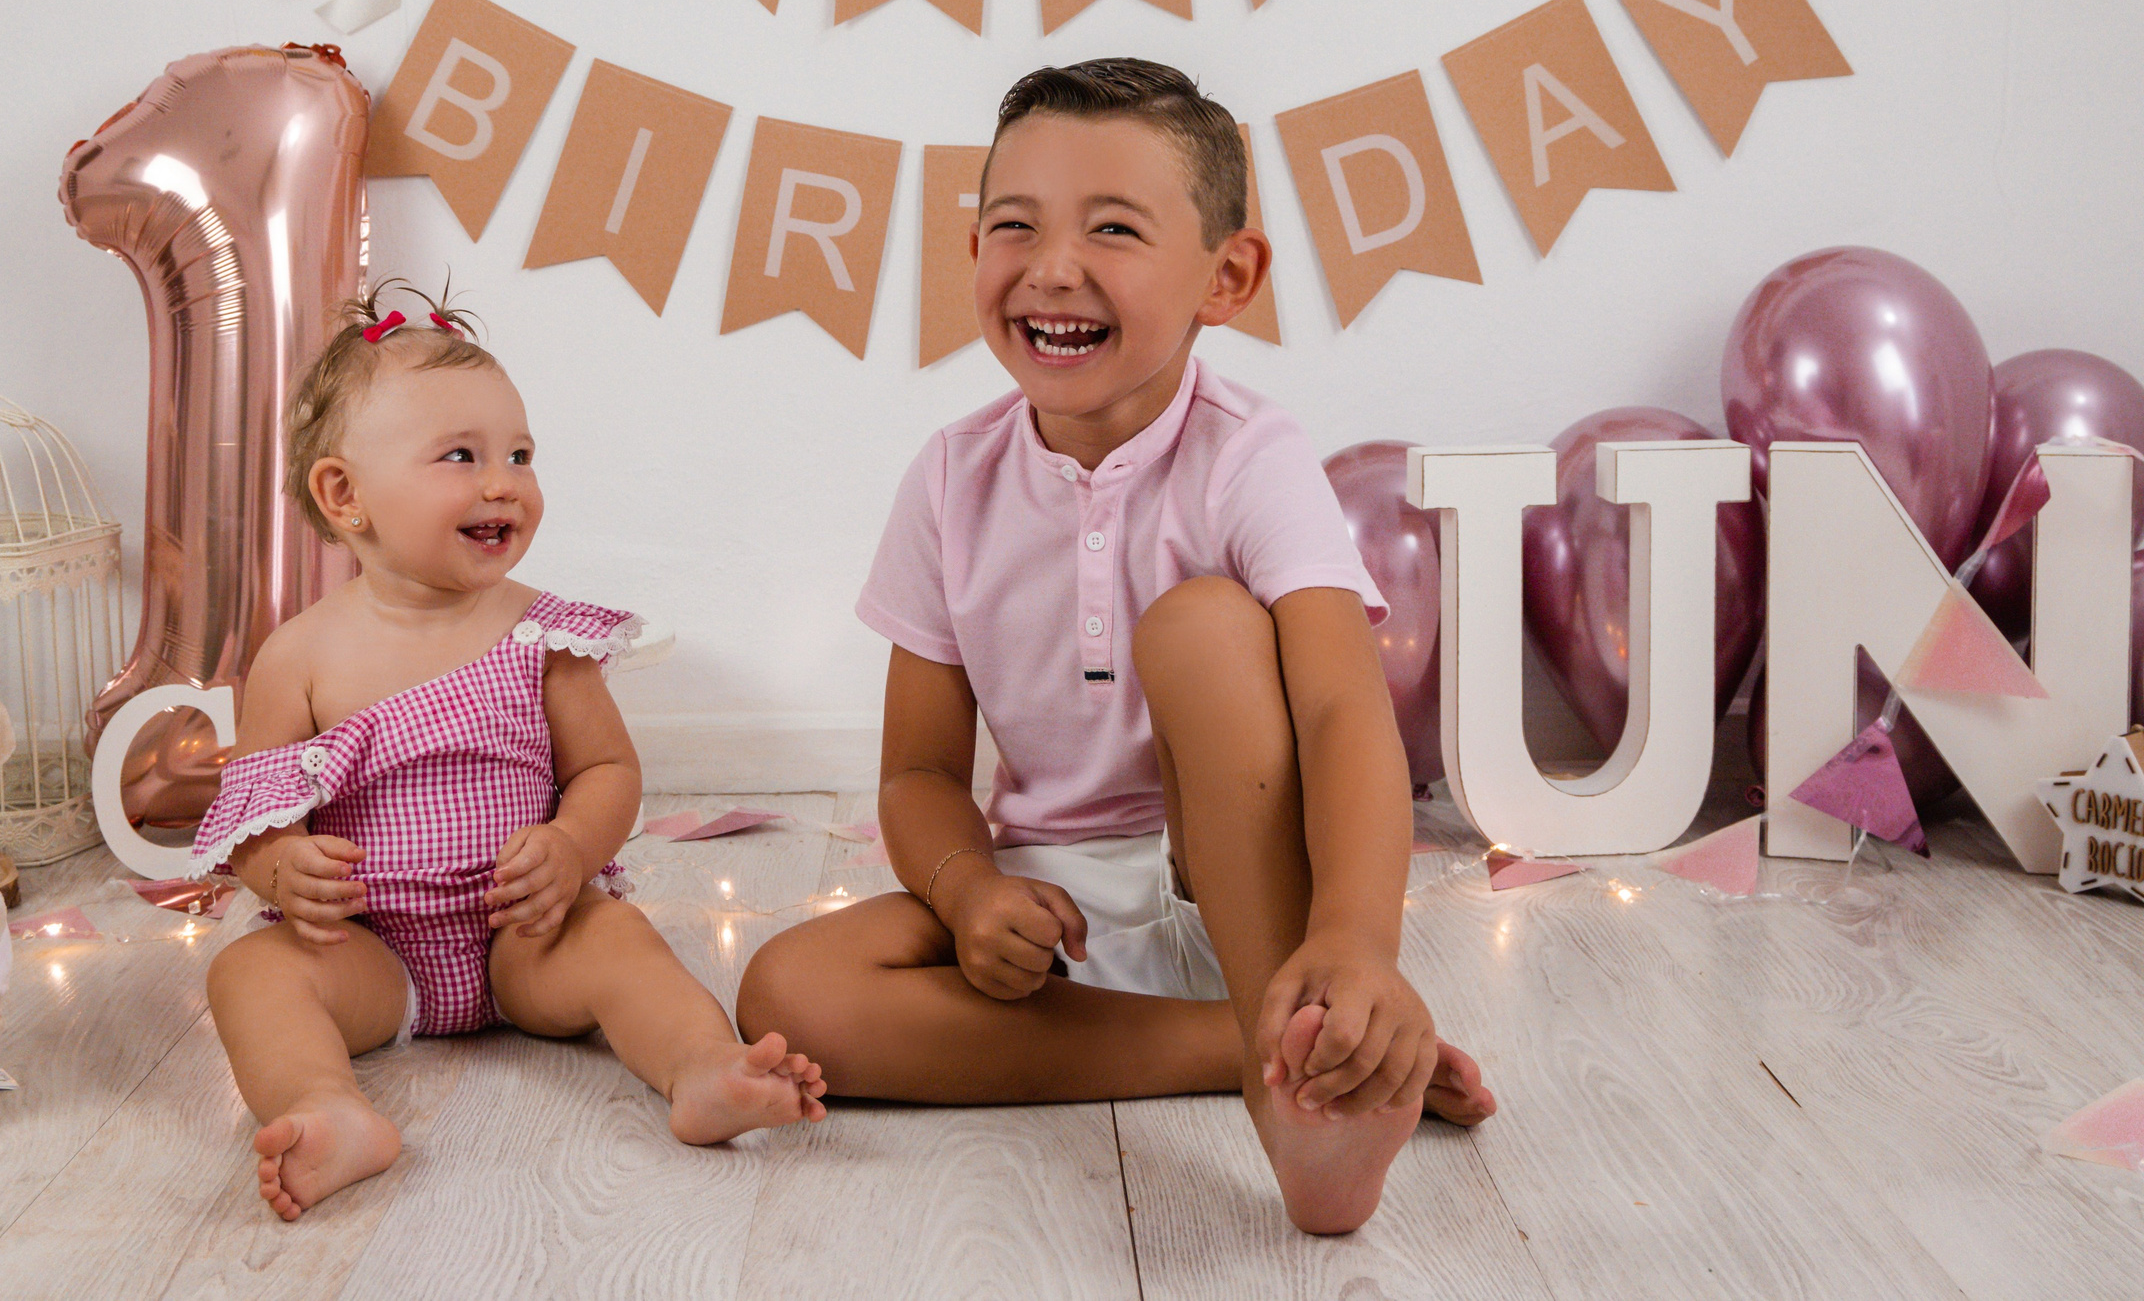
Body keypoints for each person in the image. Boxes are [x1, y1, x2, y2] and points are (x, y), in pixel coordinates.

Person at [737, 60, 1494, 1234]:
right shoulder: (950, 478)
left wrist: (1352, 939)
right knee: (790, 989)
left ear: (1226, 277)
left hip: (1246, 892)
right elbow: (920, 774)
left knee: (1199, 625)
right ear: (973, 251)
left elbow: (1349, 715)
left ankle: (1305, 1029)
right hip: (1060, 906)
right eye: (1014, 226)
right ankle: (1263, 1050)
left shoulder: (1251, 454)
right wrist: (973, 889)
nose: (1052, 268)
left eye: (1114, 230)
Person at [192, 288, 826, 1222]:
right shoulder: (300, 656)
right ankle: (327, 1108)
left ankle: (701, 1067)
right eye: (462, 456)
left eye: (519, 455)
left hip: (523, 935)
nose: (504, 482)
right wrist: (279, 867)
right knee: (248, 974)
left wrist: (571, 849)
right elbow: (255, 813)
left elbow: (607, 771)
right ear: (344, 495)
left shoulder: (541, 636)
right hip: (370, 951)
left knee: (615, 935)